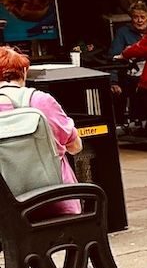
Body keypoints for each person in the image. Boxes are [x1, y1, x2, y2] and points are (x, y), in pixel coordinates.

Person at [0, 45, 84, 215]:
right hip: (54, 197)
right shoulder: (40, 100)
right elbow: (75, 147)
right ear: (24, 71)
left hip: (6, 207)